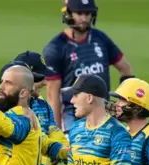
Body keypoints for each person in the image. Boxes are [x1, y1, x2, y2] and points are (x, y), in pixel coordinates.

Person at [43, 0, 133, 131]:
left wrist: (124, 106)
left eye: (87, 14)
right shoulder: (56, 48)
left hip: (103, 112)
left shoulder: (100, 38)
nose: (84, 19)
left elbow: (125, 69)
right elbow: (53, 94)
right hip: (73, 115)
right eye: (79, 13)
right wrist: (55, 131)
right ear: (69, 13)